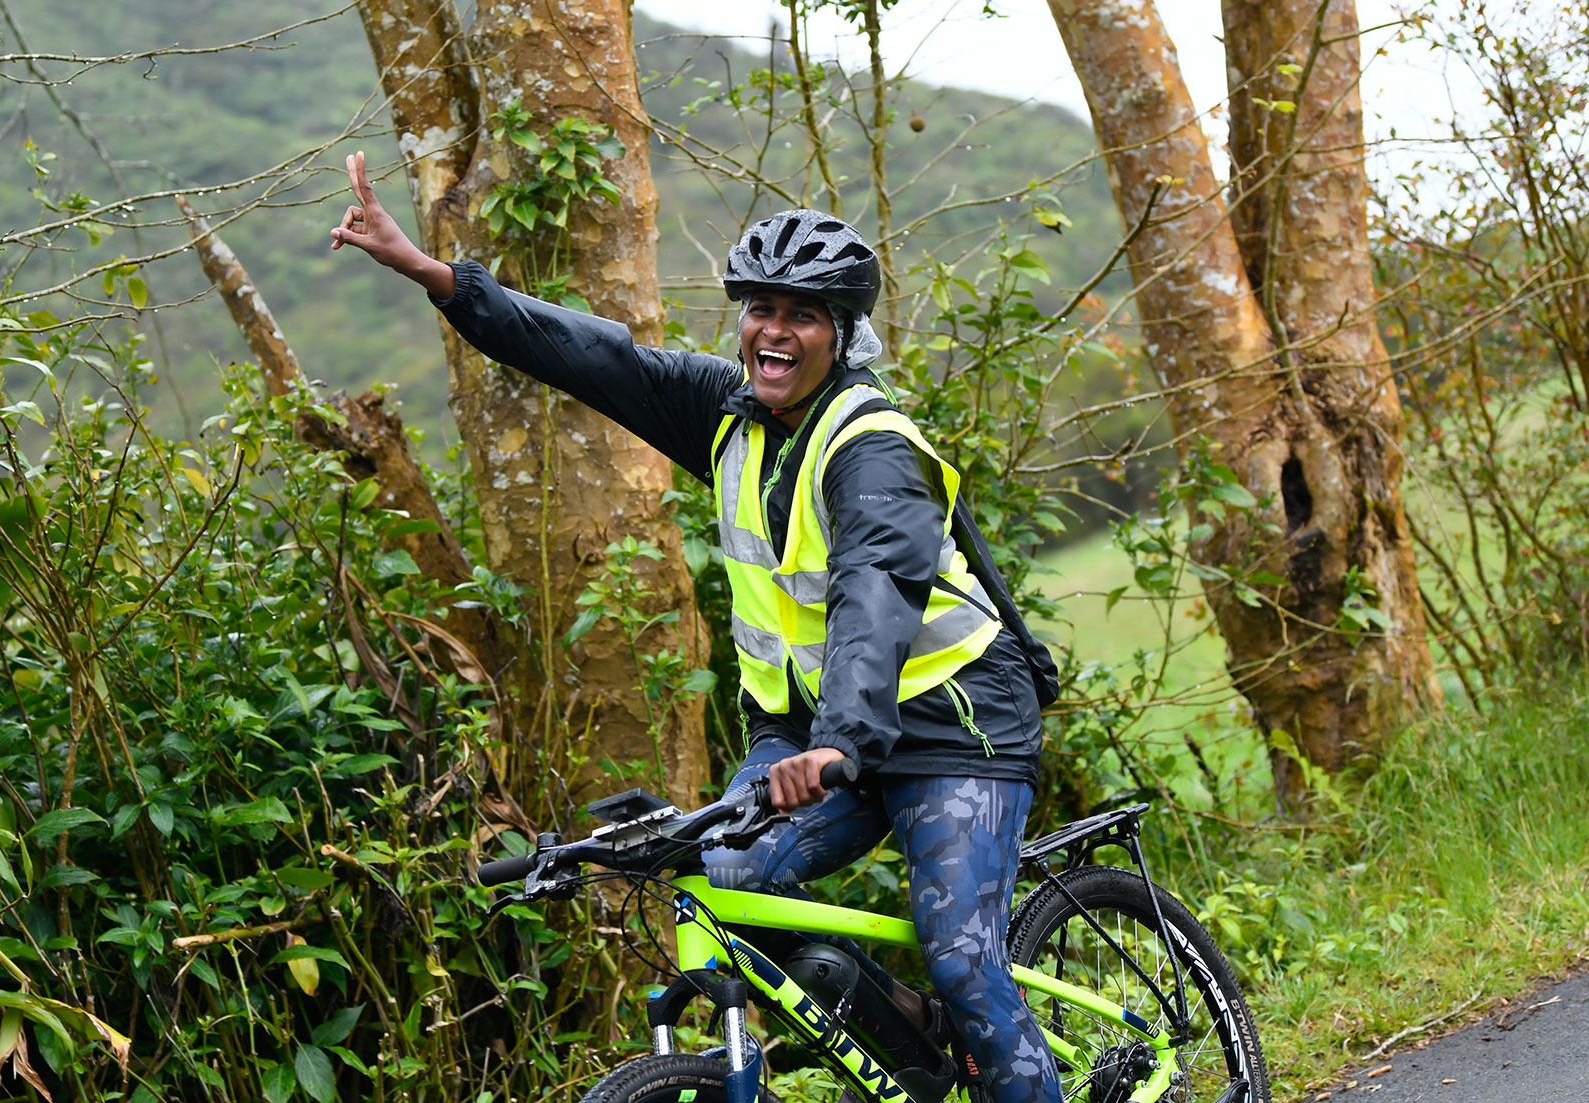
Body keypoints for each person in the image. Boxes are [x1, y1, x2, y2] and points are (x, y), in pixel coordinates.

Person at [331, 150, 1063, 1103]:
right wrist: (437, 276)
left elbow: (873, 594)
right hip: (808, 735)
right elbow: (597, 356)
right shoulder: (729, 414)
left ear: (842, 336)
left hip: (954, 723)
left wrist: (841, 742)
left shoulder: (872, 451)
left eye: (801, 313)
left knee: (962, 955)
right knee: (726, 885)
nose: (773, 329)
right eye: (761, 307)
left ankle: (975, 1030)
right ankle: (903, 1031)